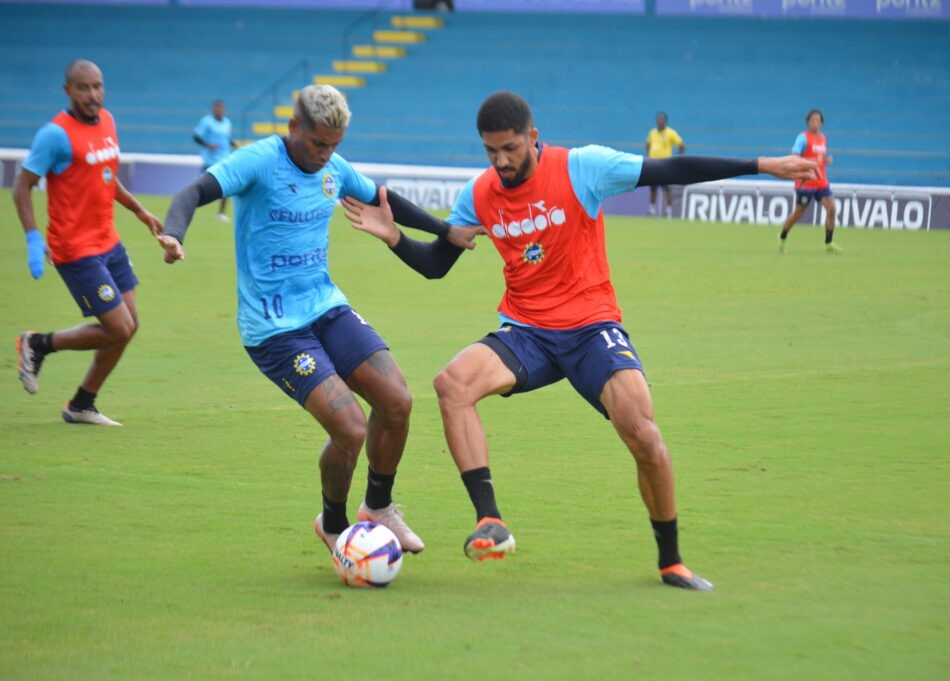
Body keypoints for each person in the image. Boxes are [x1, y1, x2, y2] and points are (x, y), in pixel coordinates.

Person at [342, 91, 818, 590]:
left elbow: (670, 170)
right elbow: (436, 265)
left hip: (592, 328)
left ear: (533, 137)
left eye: (509, 149)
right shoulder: (479, 194)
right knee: (451, 384)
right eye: (490, 151)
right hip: (527, 331)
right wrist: (394, 237)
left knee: (643, 434)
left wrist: (760, 164)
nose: (500, 162)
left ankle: (671, 561)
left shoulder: (583, 168)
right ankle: (490, 520)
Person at [157, 85, 478, 557]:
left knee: (398, 401)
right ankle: (334, 524)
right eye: (317, 143)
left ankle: (378, 507)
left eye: (334, 145)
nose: (325, 154)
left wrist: (446, 229)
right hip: (275, 329)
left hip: (326, 307)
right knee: (350, 427)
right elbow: (194, 190)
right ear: (293, 127)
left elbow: (384, 198)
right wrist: (174, 233)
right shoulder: (259, 161)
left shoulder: (334, 168)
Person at [13, 59, 164, 426]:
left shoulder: (108, 121)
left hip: (108, 241)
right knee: (119, 327)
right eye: (83, 88)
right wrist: (33, 236)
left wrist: (139, 211)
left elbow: (105, 176)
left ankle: (82, 403)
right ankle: (38, 344)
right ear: (68, 90)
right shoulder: (55, 135)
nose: (92, 94)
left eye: (97, 86)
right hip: (75, 249)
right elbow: (22, 186)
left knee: (130, 325)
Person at [778, 109, 838, 253]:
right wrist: (807, 164)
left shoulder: (823, 138)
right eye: (812, 120)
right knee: (798, 213)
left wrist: (825, 161)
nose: (815, 122)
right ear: (808, 122)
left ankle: (828, 243)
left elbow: (817, 158)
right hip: (806, 182)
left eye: (818, 120)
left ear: (821, 122)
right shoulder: (803, 138)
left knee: (832, 208)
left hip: (821, 181)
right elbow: (794, 156)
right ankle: (782, 236)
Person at [193, 99, 234, 222]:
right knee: (201, 186)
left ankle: (221, 213)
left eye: (221, 108)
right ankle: (191, 206)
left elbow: (226, 139)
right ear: (213, 109)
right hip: (210, 160)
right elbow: (196, 136)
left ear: (224, 110)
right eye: (217, 108)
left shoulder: (227, 123)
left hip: (224, 159)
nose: (219, 111)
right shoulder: (206, 121)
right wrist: (207, 145)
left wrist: (233, 143)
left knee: (227, 186)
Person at [644, 112, 684, 217]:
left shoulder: (671, 133)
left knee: (667, 188)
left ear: (665, 121)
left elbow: (681, 145)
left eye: (661, 120)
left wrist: (676, 158)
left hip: (665, 165)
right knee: (653, 188)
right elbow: (647, 144)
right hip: (653, 164)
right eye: (658, 119)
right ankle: (652, 210)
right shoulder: (652, 132)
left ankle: (668, 211)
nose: (659, 121)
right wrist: (648, 155)